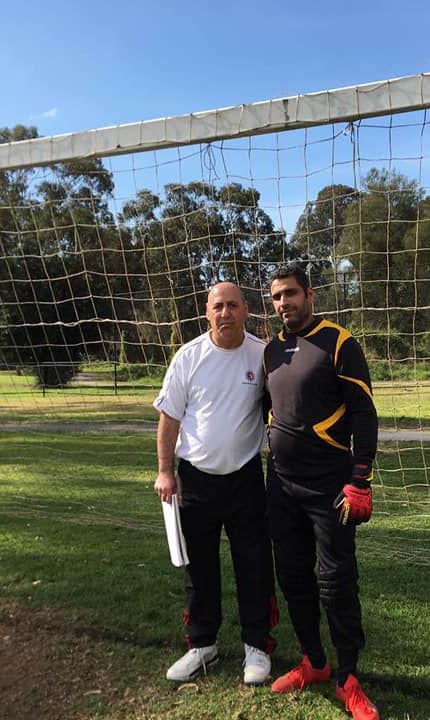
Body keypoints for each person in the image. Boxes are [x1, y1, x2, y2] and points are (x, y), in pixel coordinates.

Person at [263, 264, 380, 720]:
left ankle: (348, 677)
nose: (283, 303)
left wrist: (360, 478)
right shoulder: (270, 350)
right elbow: (269, 411)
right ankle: (314, 661)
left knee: (336, 583)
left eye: (290, 293)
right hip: (281, 484)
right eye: (276, 297)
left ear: (310, 294)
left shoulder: (340, 342)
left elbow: (364, 413)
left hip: (330, 486)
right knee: (293, 577)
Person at [153, 281, 277, 686]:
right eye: (218, 306)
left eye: (233, 306)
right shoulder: (188, 357)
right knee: (199, 567)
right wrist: (165, 471)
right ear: (207, 312)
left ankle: (256, 646)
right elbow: (169, 418)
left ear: (246, 310)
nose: (226, 313)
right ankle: (202, 644)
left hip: (245, 479)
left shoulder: (261, 355)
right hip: (195, 481)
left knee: (254, 565)